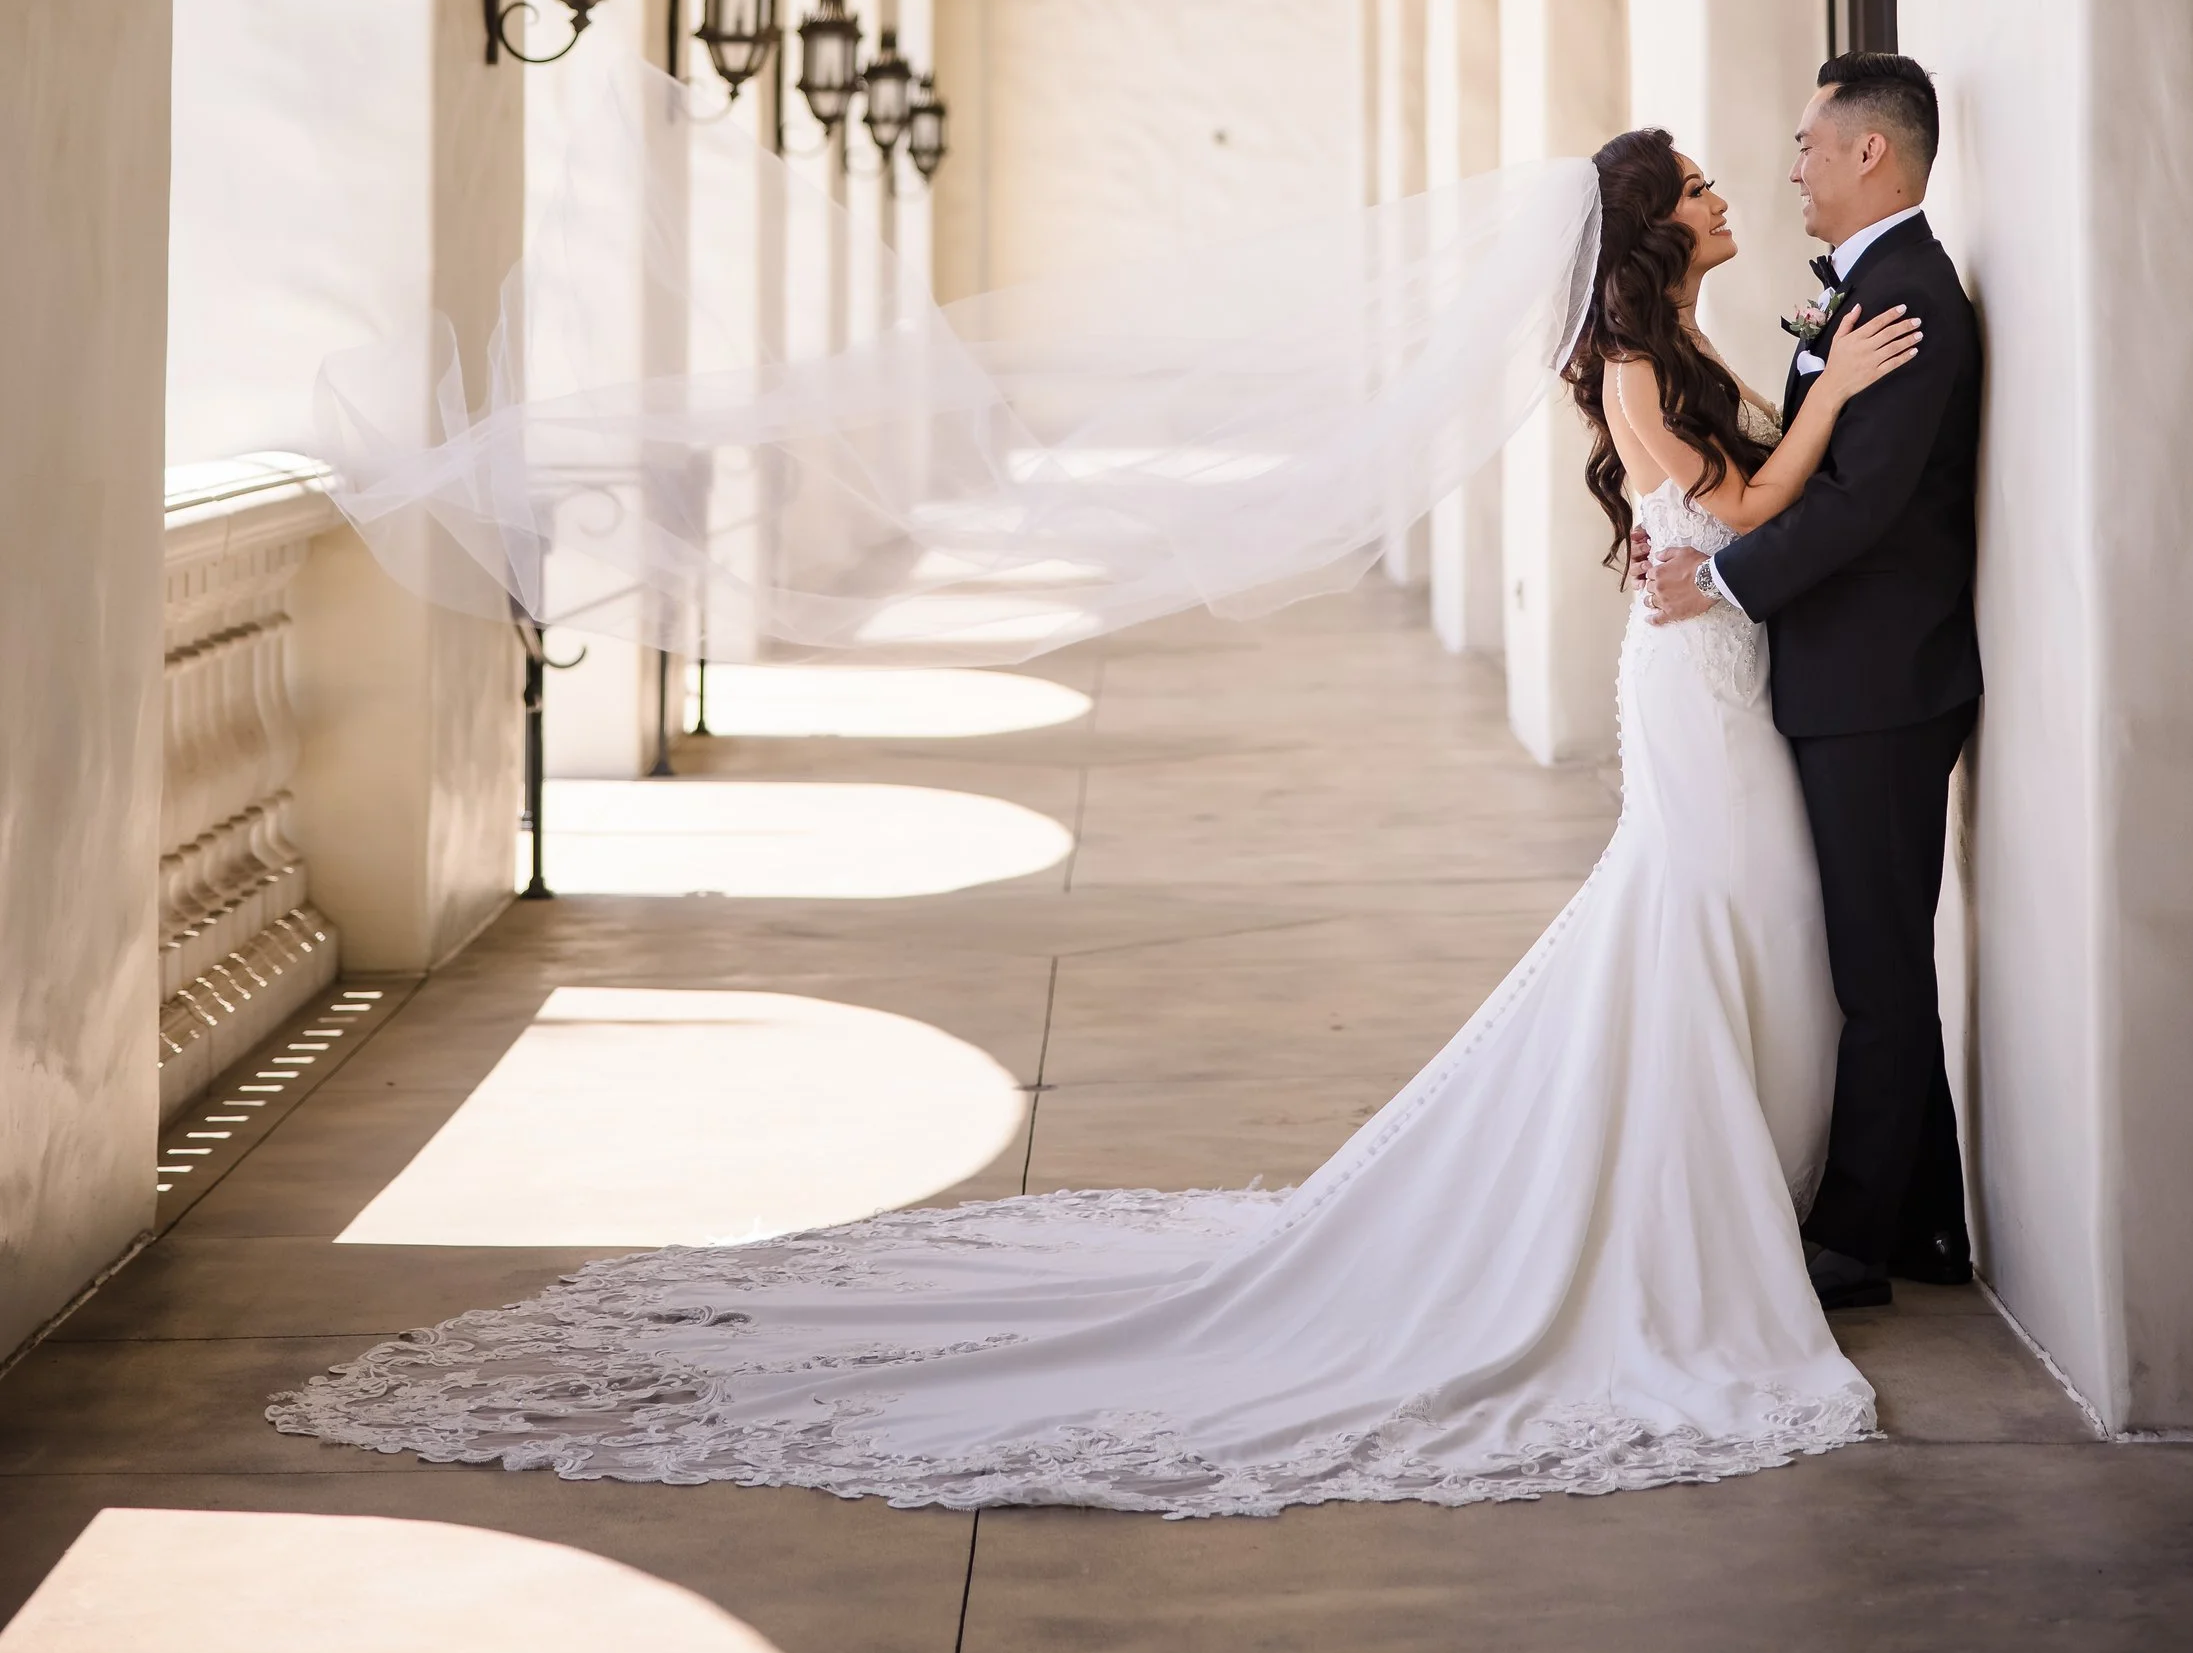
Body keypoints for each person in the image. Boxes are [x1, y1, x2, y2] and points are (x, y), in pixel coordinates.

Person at [270, 132, 1911, 1516]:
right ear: (1650, 222)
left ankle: (1737, 1181)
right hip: (1694, 686)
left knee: (1734, 918)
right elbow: (1743, 506)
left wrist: (1785, 402)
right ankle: (1692, 1202)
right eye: (1695, 178)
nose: (1721, 184)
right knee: (1707, 913)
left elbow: (1702, 510)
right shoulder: (1630, 359)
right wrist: (1834, 397)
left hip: (1715, 663)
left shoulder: (1673, 341)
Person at [1638, 51, 1982, 1312]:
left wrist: (1719, 584)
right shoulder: (1868, 292)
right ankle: (1925, 1231)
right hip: (1851, 674)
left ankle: (1853, 1241)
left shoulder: (1911, 299)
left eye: (1803, 143)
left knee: (1876, 967)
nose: (1787, 167)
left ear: (1868, 152)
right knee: (1873, 951)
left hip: (1884, 682)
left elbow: (1863, 504)